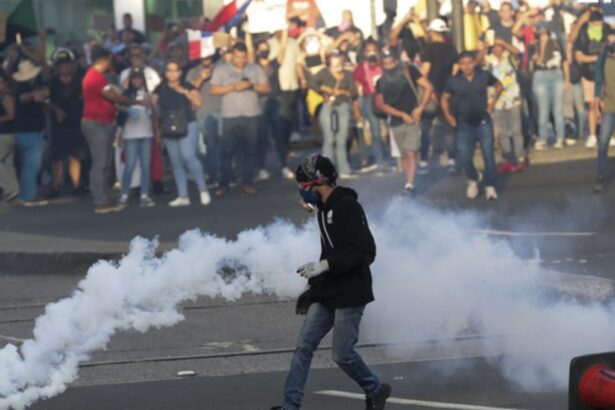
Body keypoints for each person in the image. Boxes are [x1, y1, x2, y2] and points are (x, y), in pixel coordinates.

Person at [270, 153, 391, 410]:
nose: (302, 192)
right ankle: (290, 405)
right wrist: (315, 285)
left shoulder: (347, 206)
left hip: (351, 290)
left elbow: (365, 251)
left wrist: (325, 265)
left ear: (319, 183)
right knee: (304, 346)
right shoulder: (324, 208)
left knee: (343, 355)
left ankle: (375, 389)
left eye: (304, 186)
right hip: (328, 288)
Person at [81, 45, 143, 214]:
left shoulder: (95, 76)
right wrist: (135, 102)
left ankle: (102, 195)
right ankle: (99, 199)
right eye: (109, 59)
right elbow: (114, 97)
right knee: (100, 162)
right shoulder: (96, 77)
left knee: (104, 162)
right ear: (102, 60)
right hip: (97, 122)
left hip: (102, 121)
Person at [210, 42, 271, 197]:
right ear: (232, 55)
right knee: (226, 151)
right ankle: (223, 183)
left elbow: (266, 88)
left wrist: (251, 86)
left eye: (243, 58)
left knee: (249, 150)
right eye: (237, 57)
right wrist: (233, 87)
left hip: (251, 115)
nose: (240, 61)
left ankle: (247, 183)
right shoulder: (222, 70)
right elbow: (213, 90)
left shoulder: (254, 69)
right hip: (230, 115)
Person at [441, 51, 503, 201]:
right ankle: (474, 178)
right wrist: (448, 116)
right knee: (463, 155)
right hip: (464, 123)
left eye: (469, 63)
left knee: (488, 154)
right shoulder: (454, 80)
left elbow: (499, 86)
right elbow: (444, 98)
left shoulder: (484, 75)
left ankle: (490, 186)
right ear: (459, 65)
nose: (467, 67)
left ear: (474, 63)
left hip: (483, 121)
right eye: (463, 64)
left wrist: (493, 103)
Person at [375, 47, 433, 196]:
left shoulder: (410, 71)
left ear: (396, 61)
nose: (389, 66)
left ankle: (409, 185)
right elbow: (383, 106)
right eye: (386, 64)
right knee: (404, 155)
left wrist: (420, 108)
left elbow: (428, 87)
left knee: (411, 150)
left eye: (391, 63)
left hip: (413, 118)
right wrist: (401, 115)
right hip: (396, 121)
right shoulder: (381, 82)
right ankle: (408, 182)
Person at [153, 61, 210, 207]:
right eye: (169, 71)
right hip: (169, 126)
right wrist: (157, 130)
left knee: (189, 157)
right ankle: (183, 195)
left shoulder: (188, 85)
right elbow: (154, 110)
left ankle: (202, 189)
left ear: (180, 72)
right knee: (176, 162)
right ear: (165, 73)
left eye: (175, 70)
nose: (172, 74)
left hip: (187, 123)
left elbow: (198, 103)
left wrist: (184, 92)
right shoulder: (160, 89)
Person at [247, 31, 295, 180]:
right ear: (257, 51)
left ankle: (284, 165)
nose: (264, 50)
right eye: (261, 48)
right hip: (259, 102)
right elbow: (249, 50)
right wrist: (248, 31)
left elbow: (282, 48)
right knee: (261, 136)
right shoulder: (253, 66)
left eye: (265, 47)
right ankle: (261, 168)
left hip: (276, 100)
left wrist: (285, 30)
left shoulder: (274, 63)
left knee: (279, 135)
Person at [119, 44, 166, 195]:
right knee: (131, 158)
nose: (136, 58)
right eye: (133, 56)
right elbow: (123, 94)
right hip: (132, 119)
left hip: (150, 114)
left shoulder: (151, 73)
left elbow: (157, 92)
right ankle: (134, 185)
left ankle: (157, 181)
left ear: (144, 56)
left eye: (139, 55)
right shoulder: (125, 73)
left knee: (154, 152)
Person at [419, 18, 459, 174]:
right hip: (448, 93)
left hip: (432, 93)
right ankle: (452, 160)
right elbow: (455, 71)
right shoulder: (452, 49)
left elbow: (424, 72)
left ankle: (423, 161)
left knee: (426, 128)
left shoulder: (429, 49)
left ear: (432, 32)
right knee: (449, 126)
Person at [308, 53, 357, 178]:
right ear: (329, 64)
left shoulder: (348, 74)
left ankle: (344, 169)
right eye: (335, 64)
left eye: (340, 63)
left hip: (343, 106)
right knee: (329, 139)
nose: (338, 66)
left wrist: (343, 92)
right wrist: (323, 89)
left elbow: (354, 92)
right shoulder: (323, 73)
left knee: (342, 139)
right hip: (328, 105)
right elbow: (311, 83)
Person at [47, 50, 87, 197]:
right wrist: (55, 109)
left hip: (77, 122)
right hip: (59, 124)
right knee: (57, 157)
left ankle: (77, 186)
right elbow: (45, 100)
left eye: (67, 64)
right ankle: (55, 187)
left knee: (75, 156)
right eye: (61, 64)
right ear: (56, 67)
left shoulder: (79, 80)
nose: (64, 67)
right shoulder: (52, 82)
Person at [117, 67, 157, 208]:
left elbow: (154, 115)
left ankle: (144, 194)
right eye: (135, 78)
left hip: (146, 133)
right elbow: (121, 116)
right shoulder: (126, 95)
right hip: (130, 134)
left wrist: (151, 103)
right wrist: (120, 134)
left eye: (139, 78)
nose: (137, 81)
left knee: (146, 166)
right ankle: (124, 194)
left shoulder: (148, 94)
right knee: (129, 166)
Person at [485, 39, 526, 172]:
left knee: (516, 131)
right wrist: (485, 47)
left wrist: (503, 42)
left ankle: (520, 157)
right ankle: (508, 158)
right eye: (495, 47)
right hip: (496, 101)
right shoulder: (489, 60)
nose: (497, 49)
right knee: (502, 132)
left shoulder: (509, 59)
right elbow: (477, 62)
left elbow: (517, 52)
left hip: (512, 99)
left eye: (499, 47)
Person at [13, 60, 48, 206]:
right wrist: (34, 95)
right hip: (28, 131)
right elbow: (24, 97)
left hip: (29, 130)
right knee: (31, 164)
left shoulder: (28, 87)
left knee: (30, 163)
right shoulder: (23, 89)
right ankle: (28, 195)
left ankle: (28, 191)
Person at [574, 9, 610, 149]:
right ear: (590, 23)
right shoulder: (582, 34)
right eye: (595, 24)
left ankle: (609, 135)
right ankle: (592, 135)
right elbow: (579, 57)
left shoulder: (608, 32)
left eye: (600, 24)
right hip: (588, 75)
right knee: (592, 105)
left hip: (605, 75)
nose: (598, 26)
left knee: (606, 105)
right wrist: (596, 58)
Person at [187, 55, 222, 189]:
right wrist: (201, 78)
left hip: (225, 109)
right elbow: (189, 92)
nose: (206, 57)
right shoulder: (193, 72)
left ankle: (227, 175)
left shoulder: (221, 67)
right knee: (210, 145)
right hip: (204, 112)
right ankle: (213, 176)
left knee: (225, 145)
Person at [532, 24, 567, 150]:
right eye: (541, 34)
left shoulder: (557, 43)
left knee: (558, 109)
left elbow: (564, 61)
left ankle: (560, 138)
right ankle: (543, 139)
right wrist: (542, 46)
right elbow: (538, 61)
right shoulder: (534, 45)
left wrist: (566, 80)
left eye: (545, 33)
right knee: (543, 110)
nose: (544, 36)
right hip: (541, 75)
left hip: (556, 74)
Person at [354, 39, 385, 171]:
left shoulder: (383, 64)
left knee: (388, 131)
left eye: (374, 50)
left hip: (386, 98)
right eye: (368, 50)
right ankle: (379, 160)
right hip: (369, 100)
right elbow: (358, 87)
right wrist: (357, 108)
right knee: (374, 131)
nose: (371, 53)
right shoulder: (361, 67)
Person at [593, 33, 615, 193]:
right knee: (603, 142)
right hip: (608, 105)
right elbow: (598, 81)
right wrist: (596, 107)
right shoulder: (603, 58)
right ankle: (601, 176)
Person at [0, 70, 18, 203]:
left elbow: (11, 115)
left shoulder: (6, 97)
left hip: (6, 134)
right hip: (5, 134)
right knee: (7, 163)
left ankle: (11, 188)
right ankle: (13, 190)